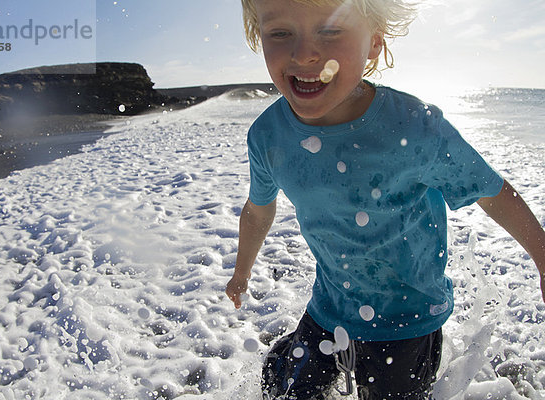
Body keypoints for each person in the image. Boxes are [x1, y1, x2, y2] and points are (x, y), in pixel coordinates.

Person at [225, 0, 545, 398]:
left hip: (408, 320)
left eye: (330, 31)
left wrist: (543, 257)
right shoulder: (268, 136)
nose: (304, 53)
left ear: (374, 43)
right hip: (330, 306)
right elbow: (258, 209)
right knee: (286, 389)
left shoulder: (416, 128)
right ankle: (283, 357)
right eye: (280, 32)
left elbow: (491, 191)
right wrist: (241, 273)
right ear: (260, 37)